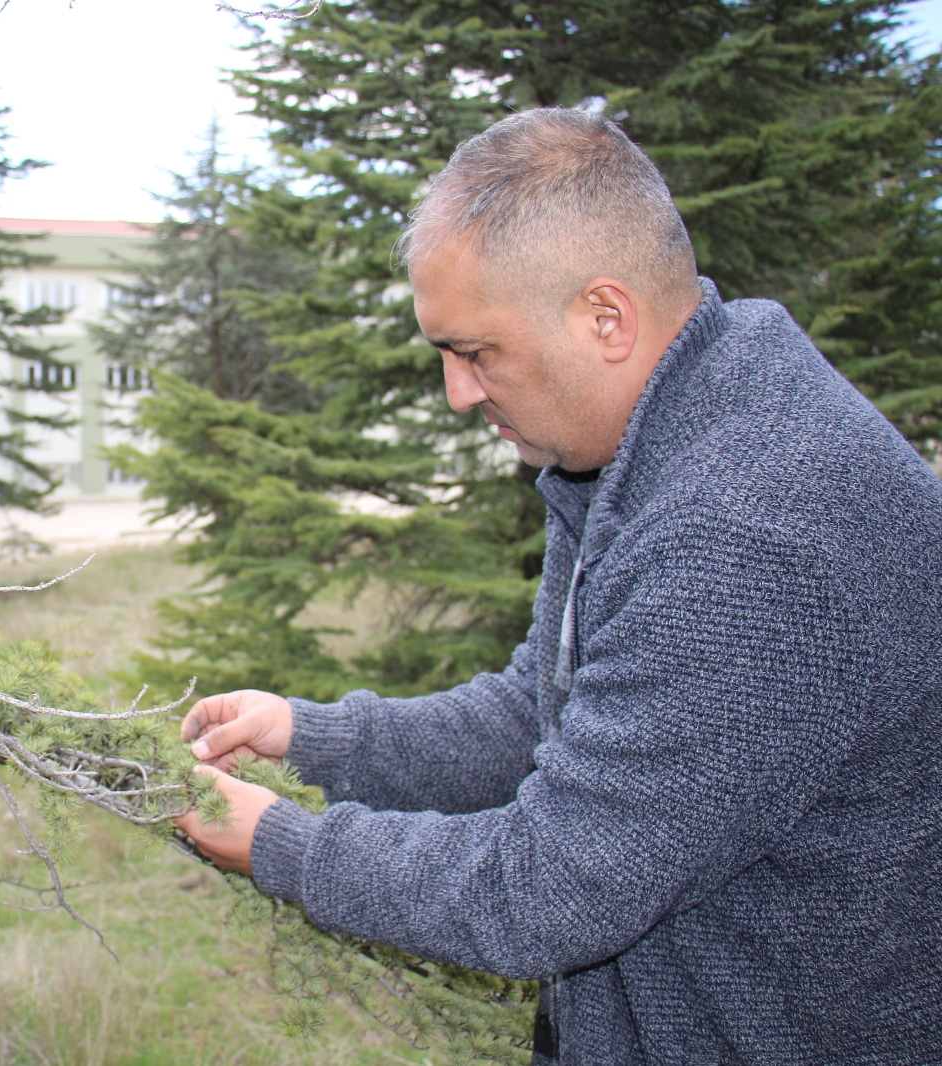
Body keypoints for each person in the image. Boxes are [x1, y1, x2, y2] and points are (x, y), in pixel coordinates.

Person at [174, 108, 942, 1066]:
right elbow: (544, 715)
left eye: (476, 351)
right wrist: (315, 738)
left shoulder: (743, 533)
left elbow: (549, 887)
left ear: (606, 317)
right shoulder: (648, 445)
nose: (458, 391)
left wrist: (287, 844)